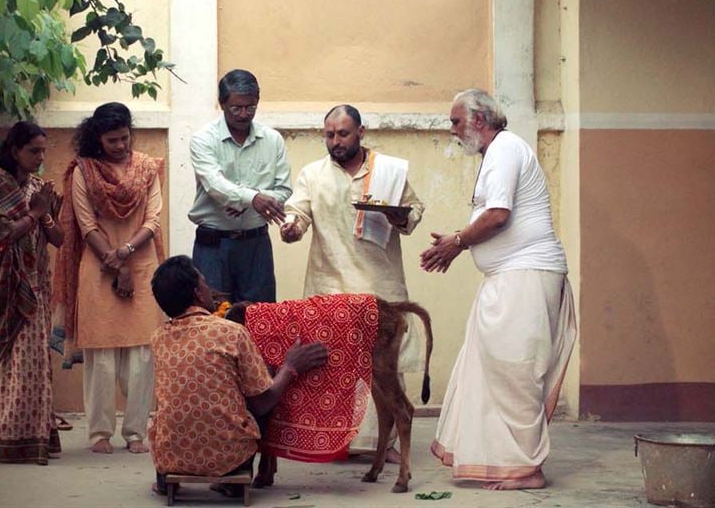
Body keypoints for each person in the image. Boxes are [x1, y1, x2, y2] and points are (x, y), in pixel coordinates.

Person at [420, 89, 578, 490]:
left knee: (516, 371)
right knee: (494, 370)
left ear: (478, 119)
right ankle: (508, 463)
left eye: (456, 121)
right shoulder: (497, 153)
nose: (452, 130)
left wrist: (457, 242)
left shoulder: (506, 148)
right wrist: (457, 246)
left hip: (526, 274)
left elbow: (498, 215)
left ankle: (527, 469)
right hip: (511, 277)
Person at [280, 104, 426, 462]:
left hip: (381, 283)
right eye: (329, 134)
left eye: (343, 134)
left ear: (361, 132)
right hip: (331, 285)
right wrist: (291, 227)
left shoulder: (388, 171)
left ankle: (386, 443)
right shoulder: (313, 174)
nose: (335, 141)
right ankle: (335, 442)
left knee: (384, 368)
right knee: (331, 367)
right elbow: (297, 212)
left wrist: (400, 215)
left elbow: (414, 210)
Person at [148, 255, 328, 497]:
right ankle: (232, 478)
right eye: (204, 283)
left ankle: (164, 479)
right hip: (228, 458)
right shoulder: (232, 332)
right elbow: (262, 402)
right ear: (198, 294)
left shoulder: (158, 338)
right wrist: (290, 367)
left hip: (171, 457)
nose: (210, 289)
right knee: (264, 388)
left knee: (162, 414)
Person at [53, 102, 166, 455]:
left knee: (142, 355)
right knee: (100, 356)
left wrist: (126, 255)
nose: (120, 145)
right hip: (99, 265)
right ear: (97, 139)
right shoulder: (83, 172)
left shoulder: (147, 169)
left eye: (124, 137)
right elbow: (86, 225)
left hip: (141, 261)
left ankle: (136, 432)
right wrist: (115, 264)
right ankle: (99, 433)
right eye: (112, 140)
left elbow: (154, 219)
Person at [0, 121, 65, 464]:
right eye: (34, 151)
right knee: (12, 364)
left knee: (36, 366)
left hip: (36, 287)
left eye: (43, 150)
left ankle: (35, 436)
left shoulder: (38, 187)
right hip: (5, 288)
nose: (40, 157)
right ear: (14, 151)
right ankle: (10, 439)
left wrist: (46, 216)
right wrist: (36, 212)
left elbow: (59, 240)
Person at [188, 69, 292, 303]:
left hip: (256, 245)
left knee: (261, 319)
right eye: (236, 108)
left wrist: (248, 201)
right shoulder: (203, 140)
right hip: (213, 246)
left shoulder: (272, 140)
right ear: (222, 103)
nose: (244, 114)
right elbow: (215, 185)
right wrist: (253, 198)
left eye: (250, 107)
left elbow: (284, 190)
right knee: (214, 319)